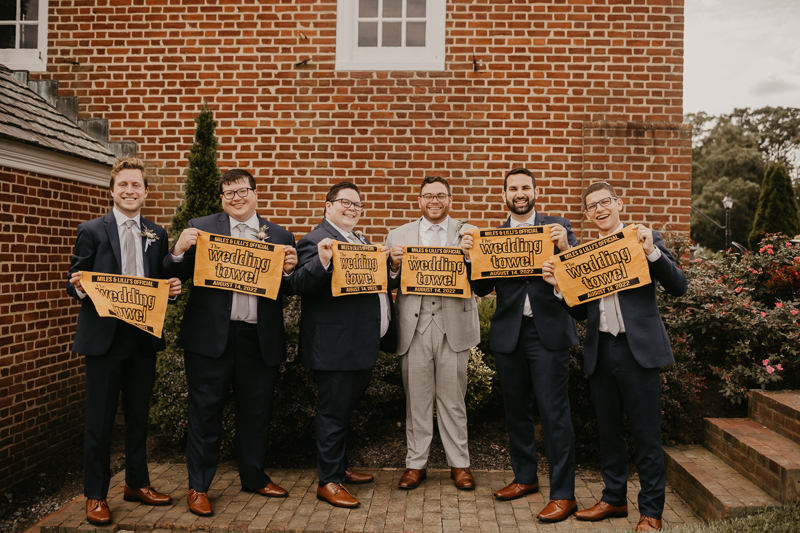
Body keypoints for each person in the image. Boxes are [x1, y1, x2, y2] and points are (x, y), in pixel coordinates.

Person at [542, 182, 687, 532]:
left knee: (646, 434)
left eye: (604, 202)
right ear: (588, 215)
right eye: (591, 206)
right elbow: (582, 315)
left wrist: (653, 252)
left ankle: (651, 512)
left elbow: (679, 286)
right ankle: (614, 498)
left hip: (638, 350)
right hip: (601, 349)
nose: (599, 209)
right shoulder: (586, 255)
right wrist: (560, 289)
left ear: (618, 204)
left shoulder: (644, 238)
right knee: (610, 432)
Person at [164, 169, 297, 516]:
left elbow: (290, 291)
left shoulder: (281, 235)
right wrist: (177, 250)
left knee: (256, 413)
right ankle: (199, 486)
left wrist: (287, 272)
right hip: (210, 338)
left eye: (242, 192)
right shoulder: (202, 227)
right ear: (221, 199)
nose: (236, 199)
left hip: (258, 337)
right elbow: (170, 275)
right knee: (205, 412)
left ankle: (254, 476)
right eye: (229, 194)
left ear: (256, 193)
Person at [460, 168, 579, 523]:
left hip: (549, 334)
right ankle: (525, 478)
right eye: (513, 188)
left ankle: (563, 494)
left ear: (536, 191)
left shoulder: (559, 227)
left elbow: (576, 280)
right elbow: (481, 290)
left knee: (554, 414)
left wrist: (564, 248)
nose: (520, 193)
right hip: (509, 334)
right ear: (505, 196)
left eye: (526, 187)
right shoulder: (492, 237)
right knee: (516, 412)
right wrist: (468, 258)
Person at [67, 157, 181, 525]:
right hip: (104, 340)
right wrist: (80, 287)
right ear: (112, 191)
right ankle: (96, 495)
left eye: (136, 185)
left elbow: (160, 281)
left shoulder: (157, 233)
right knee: (98, 422)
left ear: (146, 192)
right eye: (123, 185)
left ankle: (137, 483)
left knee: (138, 417)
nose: (130, 191)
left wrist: (174, 289)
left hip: (142, 340)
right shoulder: (92, 230)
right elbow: (75, 277)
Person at [291, 181, 397, 508]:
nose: (352, 209)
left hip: (361, 344)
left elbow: (380, 284)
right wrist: (323, 261)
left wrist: (391, 266)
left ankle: (340, 467)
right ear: (328, 206)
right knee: (333, 414)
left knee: (344, 411)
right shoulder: (315, 240)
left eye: (357, 205)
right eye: (345, 203)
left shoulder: (361, 240)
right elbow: (299, 284)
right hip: (335, 347)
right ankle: (329, 482)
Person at [385, 176, 480, 491]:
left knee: (453, 401)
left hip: (454, 324)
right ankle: (416, 464)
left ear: (450, 200)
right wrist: (394, 267)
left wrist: (469, 256)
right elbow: (384, 282)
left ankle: (460, 464)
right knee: (417, 399)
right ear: (419, 200)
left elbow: (481, 279)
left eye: (441, 195)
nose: (434, 201)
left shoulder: (468, 233)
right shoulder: (397, 235)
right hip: (414, 327)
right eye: (428, 195)